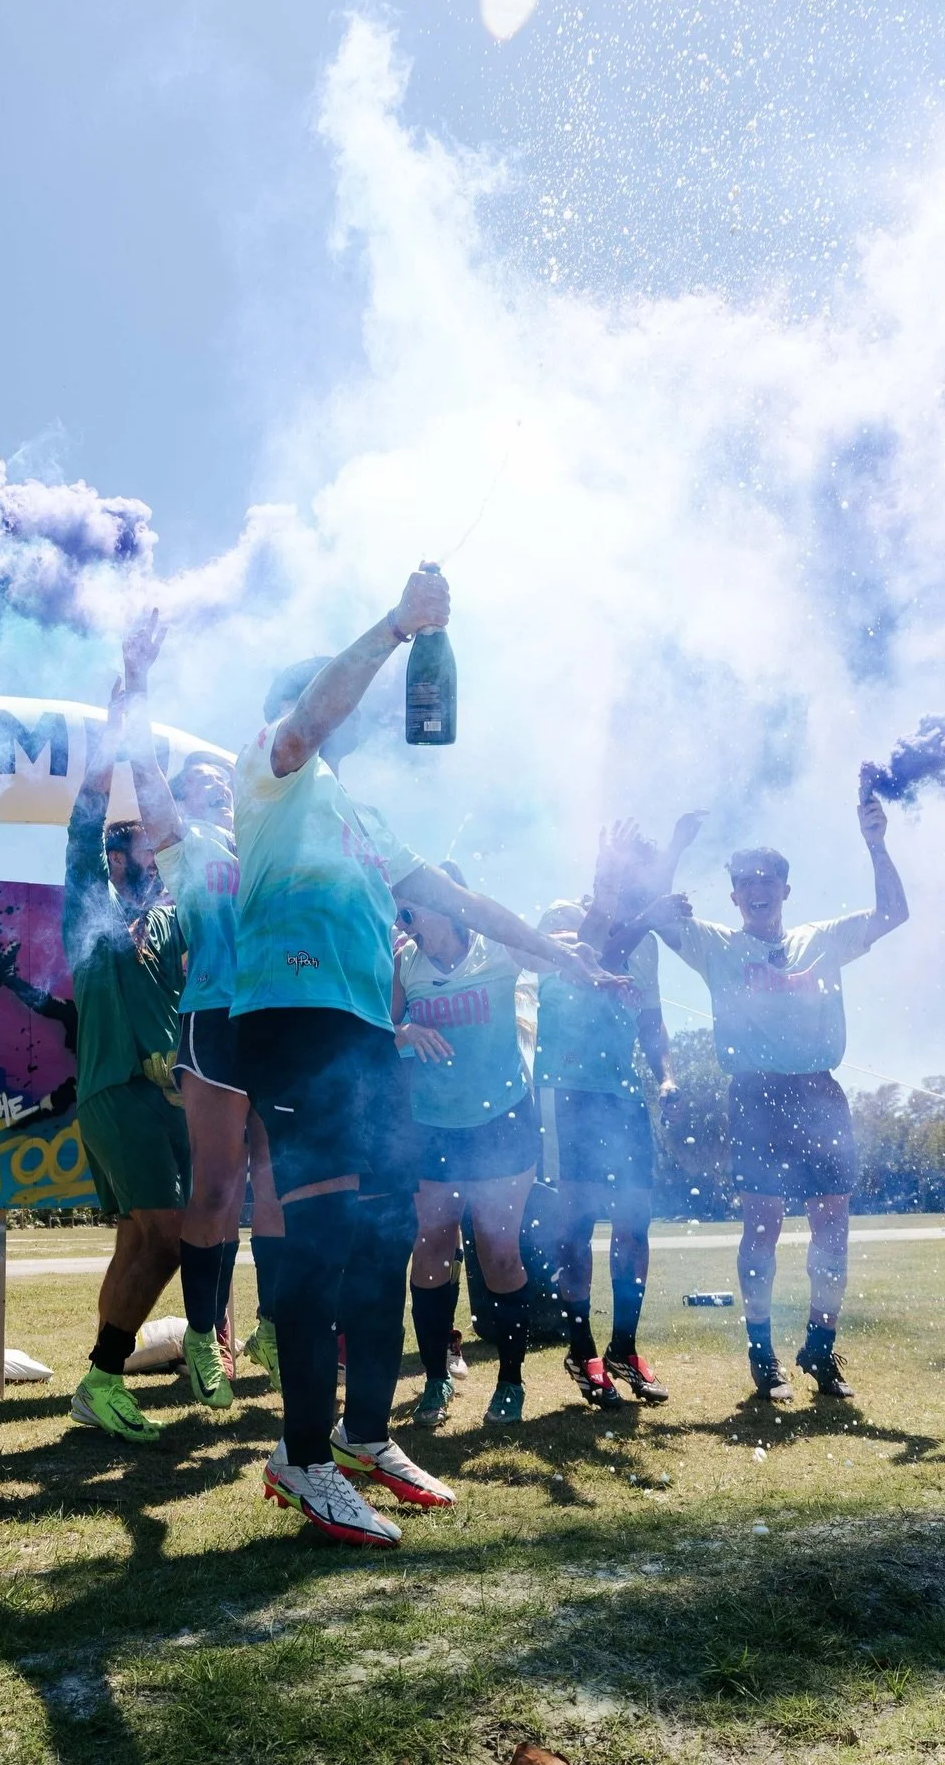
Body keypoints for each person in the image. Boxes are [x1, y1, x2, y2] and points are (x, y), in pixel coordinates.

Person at [233, 564, 625, 1548]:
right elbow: (314, 717)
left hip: (367, 1040)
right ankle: (303, 1459)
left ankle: (368, 1439)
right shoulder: (272, 771)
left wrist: (554, 951)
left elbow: (459, 902)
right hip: (294, 1024)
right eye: (336, 696)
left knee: (383, 1248)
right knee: (322, 1247)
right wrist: (397, 629)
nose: (354, 718)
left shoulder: (364, 817)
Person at [639, 772, 907, 1401]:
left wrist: (875, 842)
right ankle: (763, 1354)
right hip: (756, 1096)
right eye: (746, 883)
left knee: (832, 1224)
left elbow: (894, 913)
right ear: (733, 896)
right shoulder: (715, 945)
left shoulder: (822, 939)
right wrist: (676, 846)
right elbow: (654, 914)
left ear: (786, 889)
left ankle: (819, 1345)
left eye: (768, 881)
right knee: (761, 1223)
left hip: (820, 1091)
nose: (758, 890)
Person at [120, 612, 285, 1410]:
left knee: (279, 1186)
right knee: (217, 1190)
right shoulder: (188, 849)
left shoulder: (268, 845)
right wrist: (139, 682)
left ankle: (280, 1331)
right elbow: (146, 776)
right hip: (214, 1016)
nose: (214, 786)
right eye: (201, 784)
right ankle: (202, 1339)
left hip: (279, 1021)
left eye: (221, 781)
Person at [534, 816, 701, 1411]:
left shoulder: (646, 943)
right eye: (619, 871)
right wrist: (620, 898)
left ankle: (625, 1345)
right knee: (575, 1225)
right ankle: (582, 1349)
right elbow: (587, 951)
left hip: (624, 1095)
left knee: (634, 1224)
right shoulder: (562, 915)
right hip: (566, 1091)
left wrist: (669, 1078)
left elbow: (652, 1021)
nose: (630, 886)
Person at [393, 866, 567, 1430]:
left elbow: (545, 957)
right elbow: (378, 1026)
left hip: (501, 1122)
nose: (407, 910)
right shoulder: (404, 963)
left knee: (499, 1252)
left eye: (417, 898)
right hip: (434, 1126)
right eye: (404, 902)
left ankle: (510, 1381)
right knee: (432, 1249)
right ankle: (438, 1377)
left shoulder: (496, 950)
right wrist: (404, 1033)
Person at [64, 678, 189, 1444]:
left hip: (165, 1099)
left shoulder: (174, 910)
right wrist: (118, 723)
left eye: (129, 837)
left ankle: (99, 1387)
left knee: (138, 1239)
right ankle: (102, 1377)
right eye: (111, 841)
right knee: (167, 1237)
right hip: (113, 1088)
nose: (117, 848)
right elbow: (82, 819)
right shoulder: (88, 904)